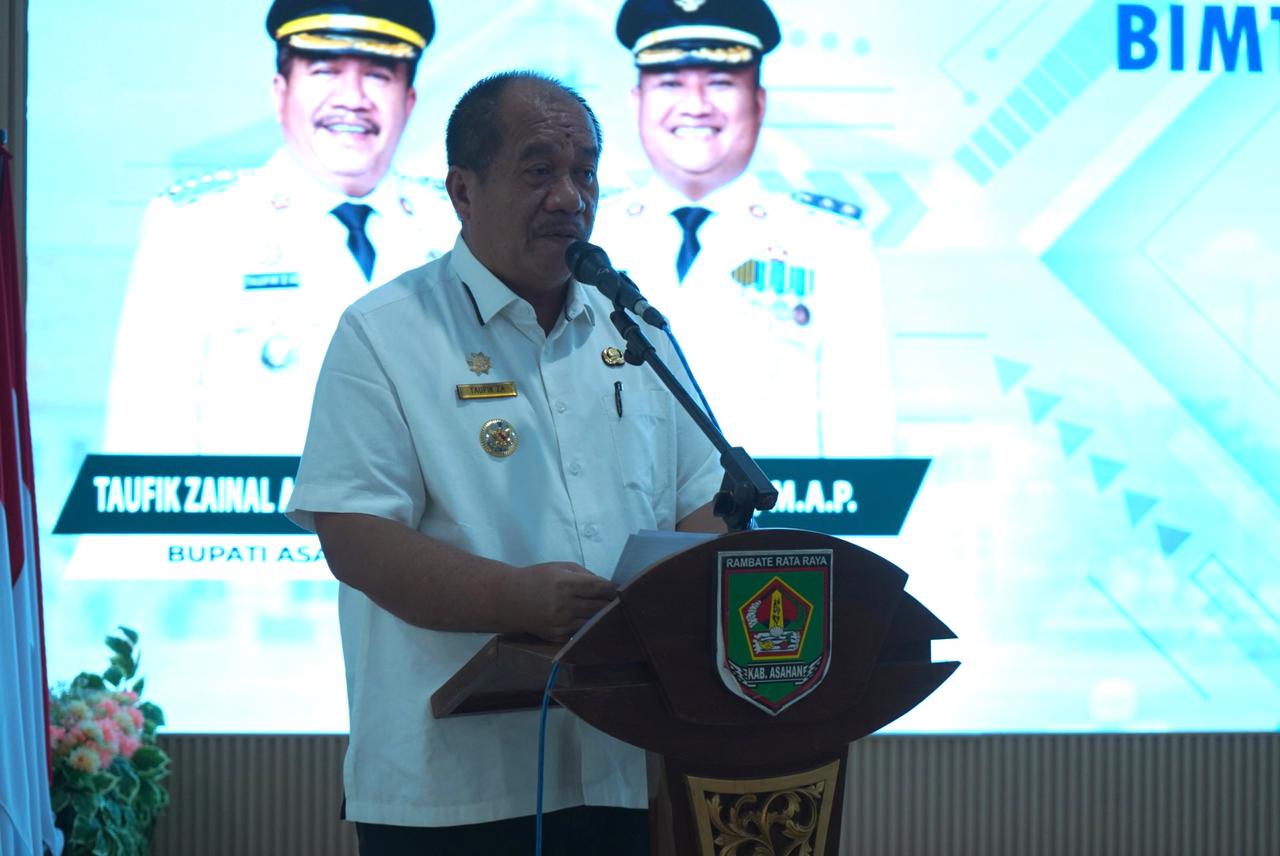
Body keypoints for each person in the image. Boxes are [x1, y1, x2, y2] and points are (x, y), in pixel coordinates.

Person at [285, 71, 725, 854]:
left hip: (622, 764)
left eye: (585, 172)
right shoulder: (385, 333)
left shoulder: (637, 329)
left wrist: (667, 603)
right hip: (454, 788)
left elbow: (708, 495)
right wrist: (516, 599)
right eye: (539, 170)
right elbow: (355, 537)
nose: (570, 197)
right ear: (463, 190)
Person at [102, 0, 455, 455]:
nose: (352, 98)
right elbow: (145, 443)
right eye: (325, 72)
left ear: (408, 102)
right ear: (279, 92)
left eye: (378, 76)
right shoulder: (198, 228)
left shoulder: (459, 228)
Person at [595, 0, 896, 458]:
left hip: (776, 506)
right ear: (636, 101)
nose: (695, 106)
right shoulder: (591, 236)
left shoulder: (830, 242)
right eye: (670, 83)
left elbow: (861, 428)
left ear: (758, 101)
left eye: (720, 83)